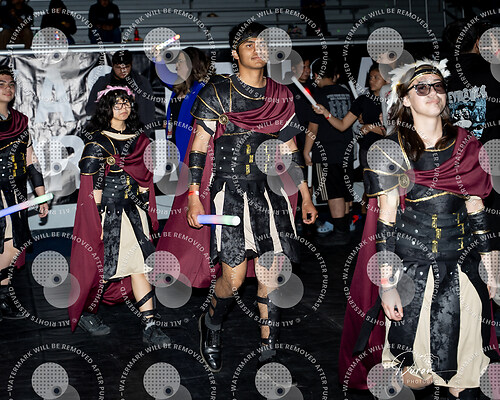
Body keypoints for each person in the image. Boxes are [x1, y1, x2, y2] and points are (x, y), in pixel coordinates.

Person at [339, 59, 498, 399]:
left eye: (438, 86)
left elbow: (476, 210)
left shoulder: (467, 145)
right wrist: (386, 286)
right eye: (422, 88)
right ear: (405, 99)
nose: (433, 93)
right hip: (412, 274)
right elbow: (385, 221)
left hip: (463, 271)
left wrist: (491, 267)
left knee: (466, 378)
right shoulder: (389, 149)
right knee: (416, 377)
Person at [185, 21, 318, 372]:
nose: (258, 50)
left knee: (271, 274)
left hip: (271, 192)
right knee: (233, 280)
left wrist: (305, 195)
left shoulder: (281, 94)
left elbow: (290, 150)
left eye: (263, 44)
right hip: (229, 193)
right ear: (235, 53)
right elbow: (199, 147)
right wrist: (194, 196)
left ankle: (268, 347)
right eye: (249, 44)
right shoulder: (217, 91)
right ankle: (211, 323)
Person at [68, 86, 171, 346]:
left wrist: (146, 209)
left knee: (141, 267)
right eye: (117, 103)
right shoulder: (97, 143)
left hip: (135, 214)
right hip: (108, 215)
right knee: (101, 270)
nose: (123, 107)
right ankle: (86, 312)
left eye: (126, 102)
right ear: (107, 109)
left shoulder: (140, 140)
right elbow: (94, 187)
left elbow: (145, 179)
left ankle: (150, 325)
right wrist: (97, 221)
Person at [0, 67, 48, 320]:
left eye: (11, 84)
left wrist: (40, 194)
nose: (8, 88)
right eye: (1, 84)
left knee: (15, 245)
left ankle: (3, 296)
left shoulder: (20, 122)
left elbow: (31, 161)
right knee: (6, 245)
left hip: (16, 192)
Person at [303, 58, 353, 245]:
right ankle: (345, 228)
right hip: (346, 148)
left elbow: (313, 127)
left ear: (316, 75)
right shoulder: (346, 92)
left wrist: (306, 151)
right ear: (335, 75)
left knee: (333, 192)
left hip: (326, 151)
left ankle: (340, 233)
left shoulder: (318, 95)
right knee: (344, 190)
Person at [86, 50, 155, 138]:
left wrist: (144, 135)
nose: (122, 71)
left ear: (131, 64)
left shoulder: (141, 83)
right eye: (118, 67)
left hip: (134, 132)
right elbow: (90, 109)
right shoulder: (103, 82)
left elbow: (149, 111)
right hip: (107, 132)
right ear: (112, 65)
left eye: (126, 67)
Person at [163, 46, 210, 159]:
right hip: (174, 147)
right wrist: (158, 59)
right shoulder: (178, 88)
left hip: (192, 149)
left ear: (191, 63)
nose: (176, 65)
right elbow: (164, 75)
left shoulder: (202, 89)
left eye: (180, 61)